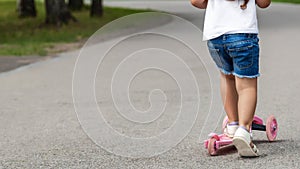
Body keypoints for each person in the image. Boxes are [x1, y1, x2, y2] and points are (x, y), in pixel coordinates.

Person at [191, 0, 271, 157]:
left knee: (227, 77)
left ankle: (233, 125)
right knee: (247, 85)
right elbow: (264, 3)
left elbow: (196, 2)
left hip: (216, 37)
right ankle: (243, 130)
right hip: (242, 34)